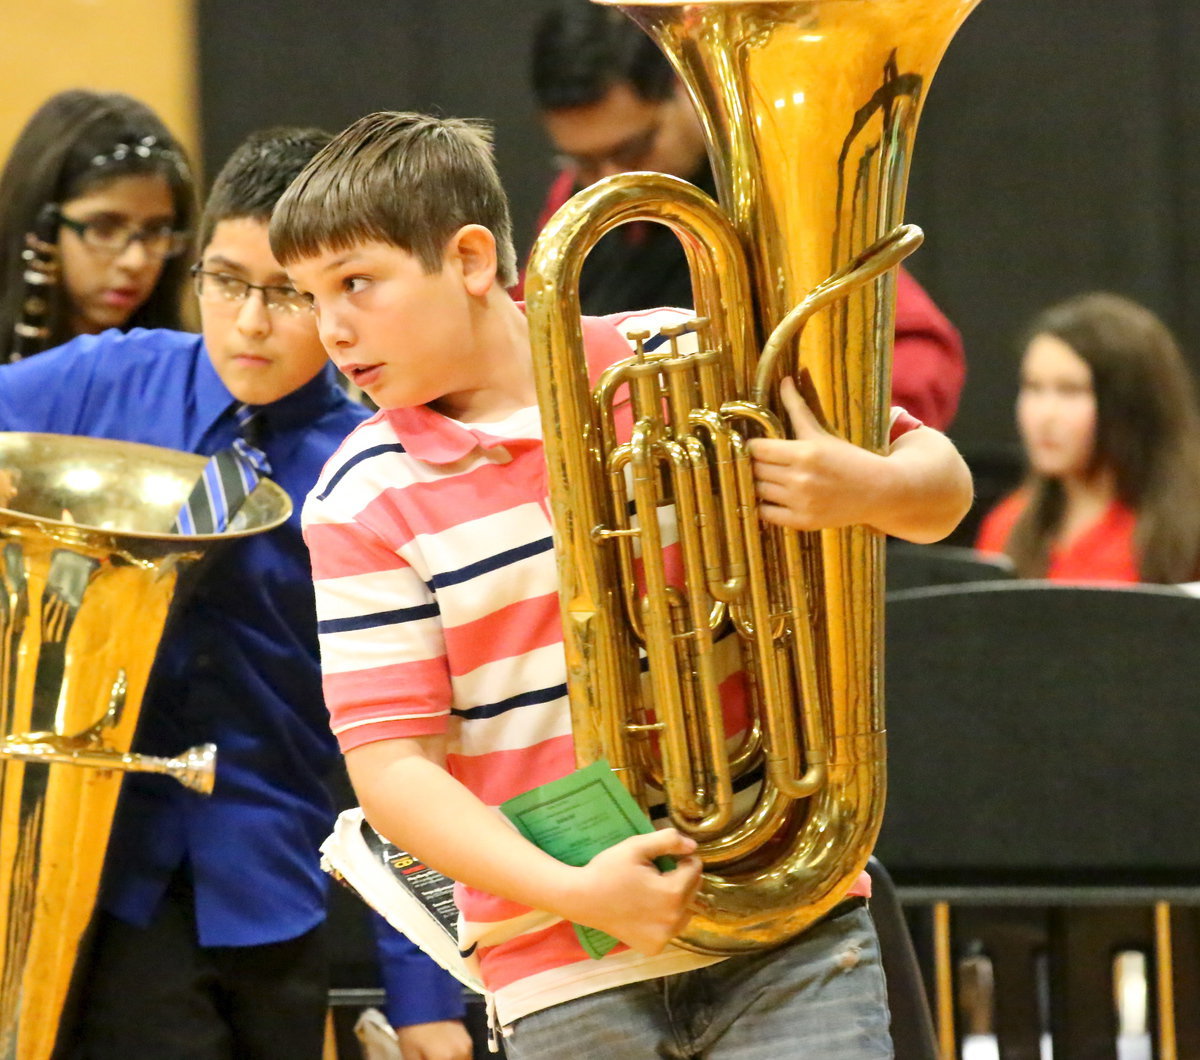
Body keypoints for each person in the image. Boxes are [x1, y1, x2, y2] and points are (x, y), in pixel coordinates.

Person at [271, 109, 973, 1058]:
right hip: (562, 964)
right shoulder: (360, 497)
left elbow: (940, 491)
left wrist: (867, 484)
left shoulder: (679, 352)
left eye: (356, 283)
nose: (332, 327)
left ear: (472, 259)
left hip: (788, 921)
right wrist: (573, 890)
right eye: (309, 297)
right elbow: (392, 769)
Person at [0, 126, 468, 1060]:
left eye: (288, 293)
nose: (251, 322)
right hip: (96, 884)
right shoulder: (106, 379)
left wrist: (427, 991)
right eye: (225, 281)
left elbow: (417, 737)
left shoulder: (375, 466)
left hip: (276, 884)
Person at [523, 1, 967, 432]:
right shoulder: (578, 197)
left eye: (632, 150)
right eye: (583, 162)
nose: (611, 180)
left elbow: (920, 350)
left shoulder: (769, 190)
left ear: (681, 85)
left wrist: (851, 452)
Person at [975, 291, 1200, 583]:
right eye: (1033, 387)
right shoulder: (1007, 524)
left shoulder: (1185, 532)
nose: (1045, 414)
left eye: (1070, 390)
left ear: (1129, 402)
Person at [0, 89, 197, 361]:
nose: (135, 261)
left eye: (155, 231)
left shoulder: (185, 369)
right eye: (103, 229)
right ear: (38, 228)